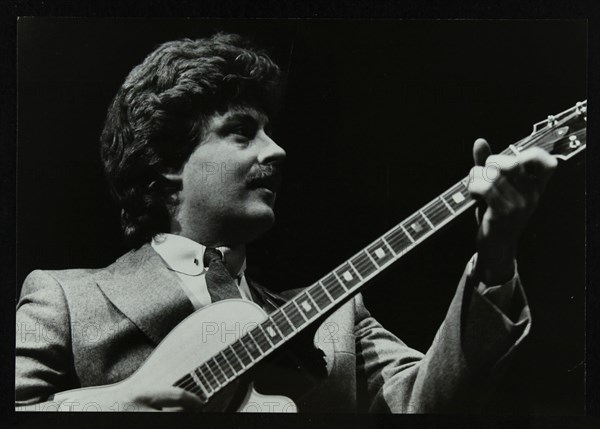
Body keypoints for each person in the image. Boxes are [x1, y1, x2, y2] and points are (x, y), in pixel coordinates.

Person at [15, 32, 557, 412]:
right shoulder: (67, 300)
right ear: (166, 164)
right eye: (242, 131)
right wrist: (108, 409)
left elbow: (430, 405)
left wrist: (497, 255)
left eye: (270, 132)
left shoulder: (338, 321)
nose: (275, 150)